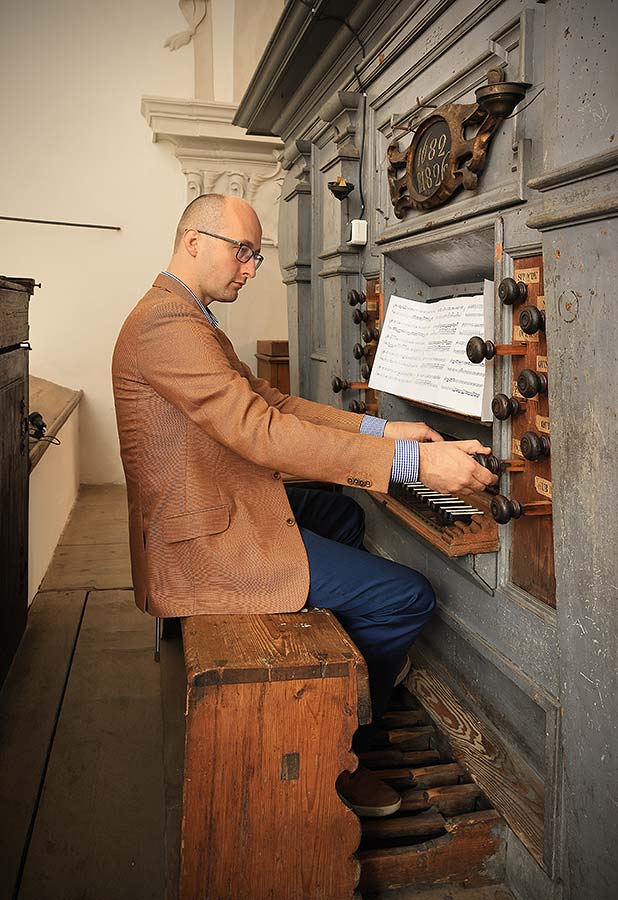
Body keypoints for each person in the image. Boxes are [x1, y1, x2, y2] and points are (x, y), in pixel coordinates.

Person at [112, 193, 497, 818]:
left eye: (256, 255)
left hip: (215, 504)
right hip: (201, 544)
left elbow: (275, 404)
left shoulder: (187, 314)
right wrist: (416, 464)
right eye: (243, 252)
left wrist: (385, 433)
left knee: (342, 515)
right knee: (408, 595)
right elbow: (259, 432)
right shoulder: (166, 325)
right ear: (193, 241)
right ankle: (338, 748)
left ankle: (330, 647)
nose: (251, 267)